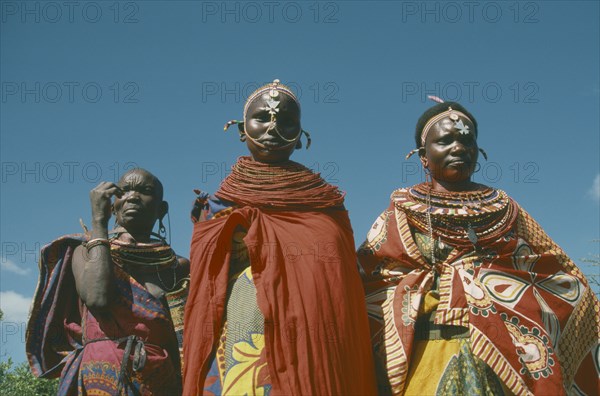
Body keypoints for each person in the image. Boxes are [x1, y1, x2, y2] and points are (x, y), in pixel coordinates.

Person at [358, 99, 600, 395]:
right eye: (445, 141)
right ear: (423, 156)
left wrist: (490, 285)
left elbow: (549, 270)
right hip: (424, 352)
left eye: (466, 140)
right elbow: (373, 277)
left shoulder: (506, 210)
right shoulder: (400, 212)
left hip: (501, 357)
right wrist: (427, 286)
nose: (458, 148)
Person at [183, 79, 377, 395]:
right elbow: (206, 289)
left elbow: (341, 285)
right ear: (241, 130)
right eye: (262, 118)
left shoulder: (326, 205)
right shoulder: (217, 205)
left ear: (300, 137)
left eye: (287, 122)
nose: (273, 128)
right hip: (240, 334)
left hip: (314, 342)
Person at [26, 168, 190, 395]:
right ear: (113, 206)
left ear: (161, 209)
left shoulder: (177, 266)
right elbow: (98, 298)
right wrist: (98, 222)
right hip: (101, 374)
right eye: (124, 191)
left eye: (145, 191)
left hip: (160, 377)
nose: (133, 196)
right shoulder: (84, 250)